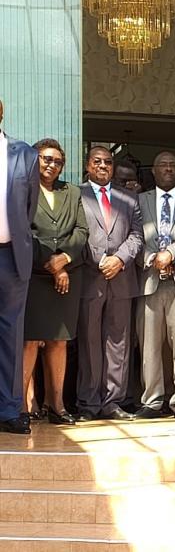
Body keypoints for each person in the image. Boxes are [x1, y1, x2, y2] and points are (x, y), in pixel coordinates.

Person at [22, 140, 87, 426]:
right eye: (46, 159)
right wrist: (52, 264)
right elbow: (23, 232)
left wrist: (65, 259)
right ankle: (23, 407)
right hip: (34, 275)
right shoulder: (22, 190)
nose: (52, 165)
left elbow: (82, 230)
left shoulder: (72, 192)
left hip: (68, 276)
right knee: (31, 341)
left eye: (58, 161)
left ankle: (57, 405)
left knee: (58, 341)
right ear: (34, 160)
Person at [77, 147, 144, 421]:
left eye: (107, 162)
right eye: (98, 162)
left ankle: (113, 402)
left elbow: (138, 235)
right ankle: (88, 403)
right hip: (90, 278)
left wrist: (119, 259)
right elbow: (75, 232)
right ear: (88, 165)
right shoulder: (76, 195)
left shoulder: (128, 198)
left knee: (119, 343)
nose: (103, 166)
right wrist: (99, 260)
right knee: (90, 343)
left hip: (122, 277)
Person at [134, 151, 175, 420]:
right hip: (149, 280)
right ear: (153, 171)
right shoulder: (139, 200)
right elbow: (132, 235)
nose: (168, 169)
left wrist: (173, 254)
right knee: (149, 344)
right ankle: (152, 400)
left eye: (173, 165)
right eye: (163, 166)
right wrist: (153, 259)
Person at [0, 100, 40, 434]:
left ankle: (9, 409)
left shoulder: (24, 154)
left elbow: (29, 209)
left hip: (11, 256)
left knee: (11, 334)